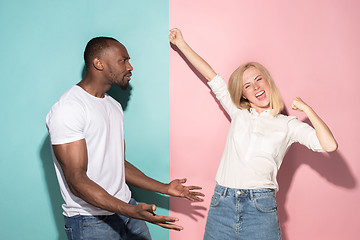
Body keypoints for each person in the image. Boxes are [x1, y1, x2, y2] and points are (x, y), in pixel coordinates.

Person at [169, 28, 337, 240]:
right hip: (222, 203)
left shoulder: (288, 125)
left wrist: (307, 109)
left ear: (267, 81)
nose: (256, 87)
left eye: (259, 79)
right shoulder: (239, 113)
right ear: (244, 95)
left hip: (260, 209)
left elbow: (329, 145)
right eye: (248, 86)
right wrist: (181, 44)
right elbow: (211, 76)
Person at [46, 36, 204, 240]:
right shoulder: (68, 108)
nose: (130, 67)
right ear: (99, 63)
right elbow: (76, 179)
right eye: (123, 60)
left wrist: (164, 188)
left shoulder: (113, 106)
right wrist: (128, 210)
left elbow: (118, 164)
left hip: (127, 210)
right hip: (91, 221)